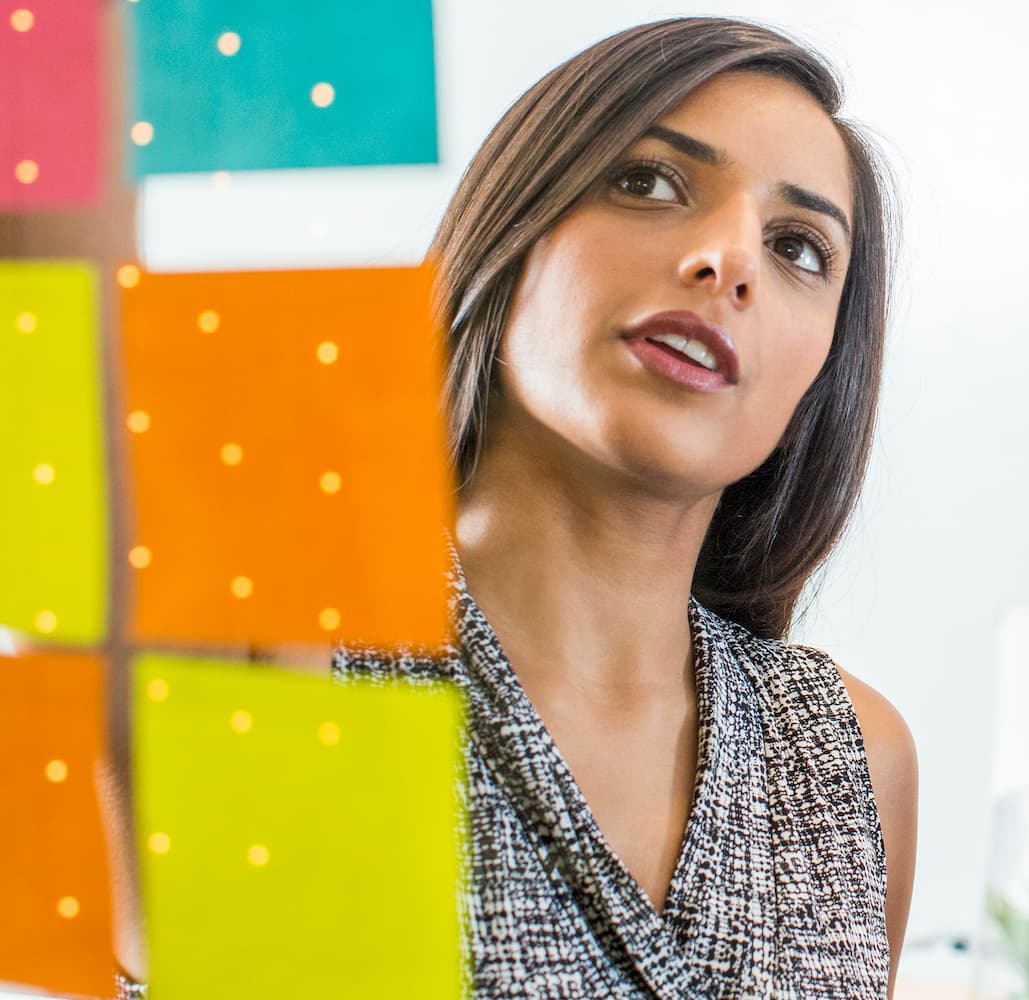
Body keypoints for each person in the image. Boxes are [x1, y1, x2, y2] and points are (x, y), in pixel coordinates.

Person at [117, 17, 916, 1000]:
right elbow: (51, 326)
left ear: (824, 366)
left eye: (797, 247)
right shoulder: (271, 653)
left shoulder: (850, 755)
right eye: (649, 181)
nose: (729, 259)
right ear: (514, 227)